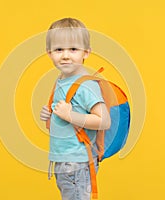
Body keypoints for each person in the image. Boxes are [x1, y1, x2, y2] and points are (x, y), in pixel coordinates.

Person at [40, 18, 111, 200]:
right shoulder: (62, 80)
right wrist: (50, 114)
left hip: (78, 164)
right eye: (58, 49)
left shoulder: (85, 85)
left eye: (73, 49)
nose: (65, 55)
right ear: (49, 53)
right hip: (64, 162)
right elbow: (63, 120)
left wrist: (70, 115)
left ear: (86, 52)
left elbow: (104, 121)